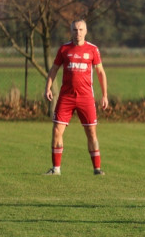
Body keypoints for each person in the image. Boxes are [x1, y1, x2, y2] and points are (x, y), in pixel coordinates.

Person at [44, 18, 109, 176]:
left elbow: (100, 72)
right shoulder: (64, 49)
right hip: (66, 97)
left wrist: (105, 95)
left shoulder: (93, 49)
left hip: (86, 98)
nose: (78, 33)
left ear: (85, 31)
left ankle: (97, 169)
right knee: (56, 131)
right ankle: (56, 169)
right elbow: (53, 69)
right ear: (71, 31)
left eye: (80, 30)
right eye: (75, 30)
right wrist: (48, 87)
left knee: (91, 133)